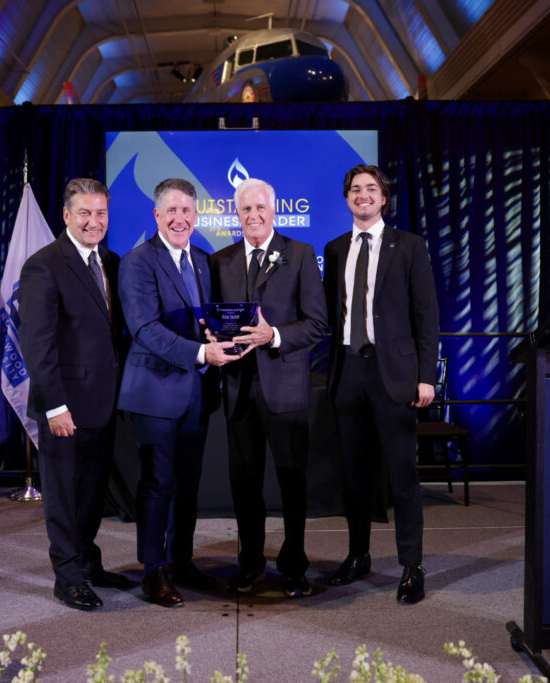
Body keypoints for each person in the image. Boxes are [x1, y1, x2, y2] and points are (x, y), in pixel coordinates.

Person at [117, 178, 240, 607]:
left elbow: (205, 321)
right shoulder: (137, 262)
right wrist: (204, 351)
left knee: (188, 483)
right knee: (157, 483)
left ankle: (182, 560)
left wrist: (221, 337)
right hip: (154, 393)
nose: (179, 219)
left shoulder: (204, 261)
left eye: (187, 211)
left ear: (196, 216)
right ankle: (154, 571)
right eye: (171, 211)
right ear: (156, 215)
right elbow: (145, 329)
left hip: (196, 392)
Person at [323, 164, 439, 605]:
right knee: (354, 477)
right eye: (355, 189)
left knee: (403, 478)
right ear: (347, 197)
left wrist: (427, 376)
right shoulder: (335, 250)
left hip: (395, 378)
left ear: (384, 197)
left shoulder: (409, 246)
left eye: (371, 189)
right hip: (348, 373)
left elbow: (426, 316)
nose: (363, 195)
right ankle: (358, 556)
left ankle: (412, 566)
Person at [18, 177, 134, 611]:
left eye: (101, 213)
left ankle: (87, 561)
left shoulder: (113, 262)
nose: (93, 221)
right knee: (64, 496)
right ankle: (67, 578)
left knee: (90, 493)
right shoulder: (44, 265)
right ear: (66, 216)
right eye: (84, 213)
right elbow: (37, 344)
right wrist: (54, 406)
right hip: (63, 407)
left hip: (102, 403)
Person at [208, 178, 327, 598]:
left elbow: (317, 323)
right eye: (245, 210)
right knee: (244, 484)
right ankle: (250, 563)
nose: (253, 216)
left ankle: (295, 566)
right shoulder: (220, 260)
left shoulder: (300, 255)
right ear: (235, 214)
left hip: (286, 390)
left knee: (292, 482)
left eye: (260, 208)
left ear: (274, 210)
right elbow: (214, 320)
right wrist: (211, 337)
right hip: (239, 389)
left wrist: (272, 335)